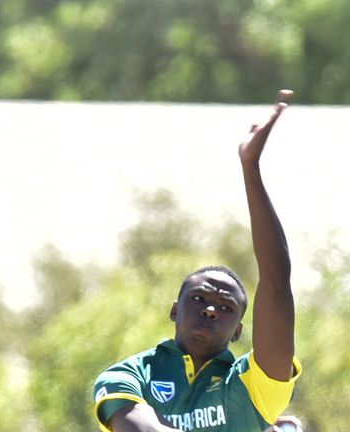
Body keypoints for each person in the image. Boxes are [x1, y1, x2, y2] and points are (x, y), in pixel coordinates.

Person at [89, 90, 302, 432]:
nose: (211, 310)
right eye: (199, 298)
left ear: (239, 330)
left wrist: (250, 168)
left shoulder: (251, 387)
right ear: (175, 310)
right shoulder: (131, 374)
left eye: (226, 307)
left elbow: (277, 283)